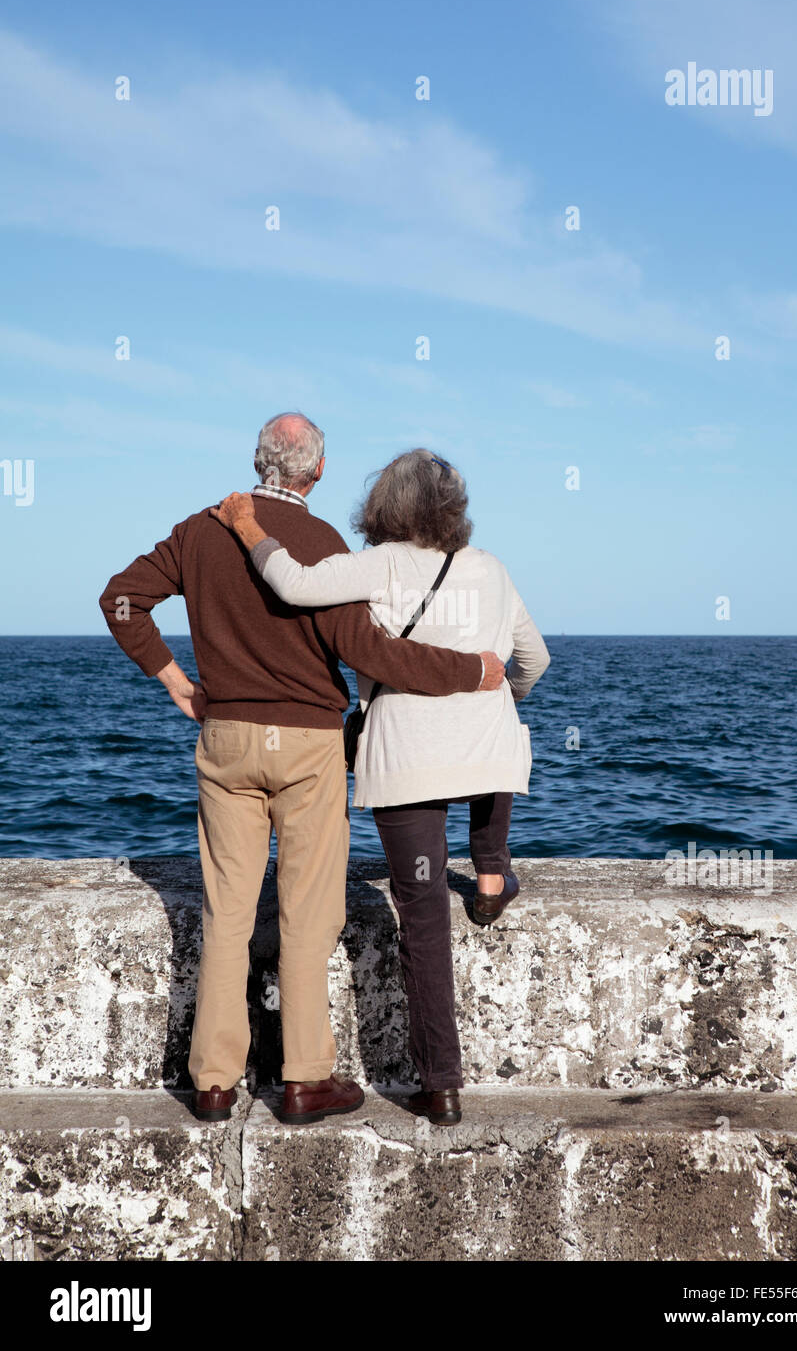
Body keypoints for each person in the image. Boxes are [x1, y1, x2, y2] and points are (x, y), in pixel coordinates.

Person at [99, 415, 505, 1126]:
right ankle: (303, 1079)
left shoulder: (201, 530)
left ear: (258, 462)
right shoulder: (322, 544)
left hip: (225, 737)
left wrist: (175, 681)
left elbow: (122, 600)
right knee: (308, 913)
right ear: (316, 472)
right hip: (309, 743)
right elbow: (371, 654)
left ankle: (215, 1083)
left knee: (227, 912)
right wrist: (470, 671)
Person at [212, 447, 550, 1126]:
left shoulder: (381, 563)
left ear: (383, 507)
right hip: (485, 749)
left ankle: (441, 1085)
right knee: (493, 756)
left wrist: (248, 527)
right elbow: (533, 659)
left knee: (421, 915)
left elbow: (292, 583)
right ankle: (490, 875)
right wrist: (500, 698)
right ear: (453, 507)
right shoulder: (490, 569)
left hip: (406, 757)